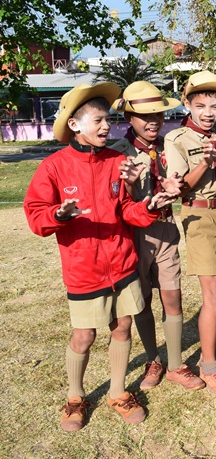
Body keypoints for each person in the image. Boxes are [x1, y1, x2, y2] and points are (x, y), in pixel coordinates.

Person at [24, 82, 179, 431]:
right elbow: (35, 215)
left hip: (122, 265)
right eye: (98, 120)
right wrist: (58, 215)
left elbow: (126, 210)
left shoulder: (116, 161)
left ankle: (118, 391)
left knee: (122, 327)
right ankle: (75, 397)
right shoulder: (54, 166)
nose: (107, 126)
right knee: (84, 336)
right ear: (75, 125)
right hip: (84, 270)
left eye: (108, 119)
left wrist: (149, 206)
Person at [111, 81, 204, 391]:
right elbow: (115, 200)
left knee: (172, 296)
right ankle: (153, 359)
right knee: (142, 300)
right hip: (134, 234)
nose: (153, 122)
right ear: (129, 118)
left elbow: (183, 182)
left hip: (165, 228)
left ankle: (176, 364)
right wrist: (129, 185)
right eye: (145, 116)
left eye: (159, 115)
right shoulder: (118, 153)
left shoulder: (169, 146)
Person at [164, 70, 216, 398]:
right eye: (200, 106)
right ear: (187, 104)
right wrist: (207, 163)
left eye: (215, 106)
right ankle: (209, 366)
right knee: (212, 294)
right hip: (198, 216)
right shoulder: (177, 139)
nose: (208, 113)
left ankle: (212, 350)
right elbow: (179, 187)